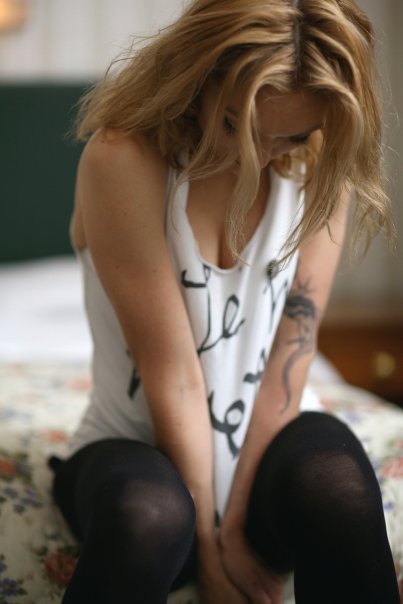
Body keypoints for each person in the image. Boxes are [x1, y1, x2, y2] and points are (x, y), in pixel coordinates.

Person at [50, 0, 400, 602]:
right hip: (137, 444)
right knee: (146, 515)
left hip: (266, 445)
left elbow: (290, 354)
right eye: (237, 125)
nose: (256, 158)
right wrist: (212, 549)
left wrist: (236, 520)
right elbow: (174, 374)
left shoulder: (320, 168)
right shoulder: (123, 159)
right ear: (198, 78)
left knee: (336, 484)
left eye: (291, 136)